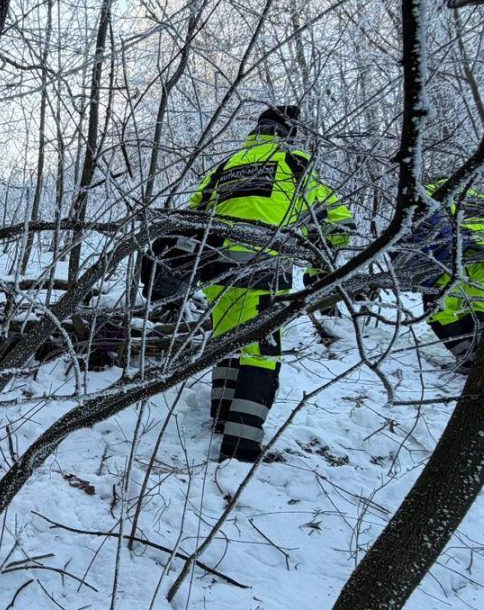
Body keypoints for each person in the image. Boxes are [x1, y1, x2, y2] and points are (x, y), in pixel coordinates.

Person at [148, 105, 352, 463]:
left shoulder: (227, 165)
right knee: (261, 354)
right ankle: (241, 445)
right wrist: (327, 253)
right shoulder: (294, 160)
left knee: (226, 343)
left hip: (215, 270)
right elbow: (330, 214)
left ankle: (222, 418)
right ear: (289, 132)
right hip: (264, 269)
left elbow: (192, 214)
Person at [408, 179, 484, 372]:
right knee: (477, 303)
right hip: (481, 260)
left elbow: (420, 217)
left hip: (449, 260)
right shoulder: (482, 197)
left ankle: (469, 359)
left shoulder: (435, 190)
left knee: (439, 310)